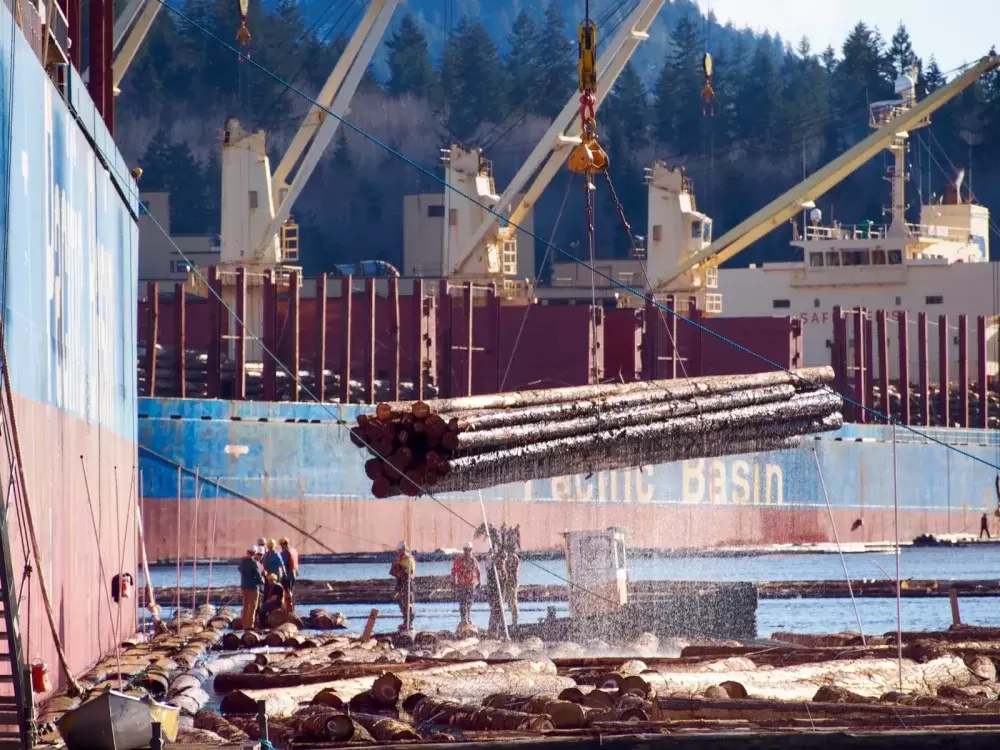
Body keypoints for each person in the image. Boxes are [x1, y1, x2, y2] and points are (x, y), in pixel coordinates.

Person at [450, 542, 481, 626]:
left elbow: (478, 572)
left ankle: (468, 618)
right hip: (461, 585)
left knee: (469, 603)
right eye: (466, 550)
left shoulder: (474, 560)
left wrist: (479, 582)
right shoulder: (458, 560)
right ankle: (463, 619)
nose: (467, 551)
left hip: (471, 585)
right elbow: (453, 571)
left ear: (471, 550)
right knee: (462, 603)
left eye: (469, 550)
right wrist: (453, 581)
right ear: (463, 550)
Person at [390, 541, 416, 630]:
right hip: (400, 583)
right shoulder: (398, 559)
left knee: (408, 603)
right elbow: (393, 571)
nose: (398, 552)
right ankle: (405, 621)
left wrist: (400, 568)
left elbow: (410, 571)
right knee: (401, 604)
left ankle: (409, 623)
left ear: (403, 550)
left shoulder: (409, 559)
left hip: (407, 583)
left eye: (400, 550)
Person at [238, 545, 264, 628]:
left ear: (247, 552)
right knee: (252, 607)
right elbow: (258, 575)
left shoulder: (243, 561)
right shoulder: (254, 563)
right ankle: (250, 626)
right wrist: (262, 580)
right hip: (253, 587)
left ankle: (244, 624)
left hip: (244, 586)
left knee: (245, 606)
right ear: (254, 553)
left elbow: (239, 569)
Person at [279, 537, 299, 611]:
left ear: (283, 544)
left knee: (287, 592)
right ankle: (292, 608)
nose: (281, 547)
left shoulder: (285, 552)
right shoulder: (293, 550)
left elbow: (283, 563)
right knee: (291, 591)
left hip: (287, 575)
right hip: (294, 574)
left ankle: (288, 609)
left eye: (281, 545)